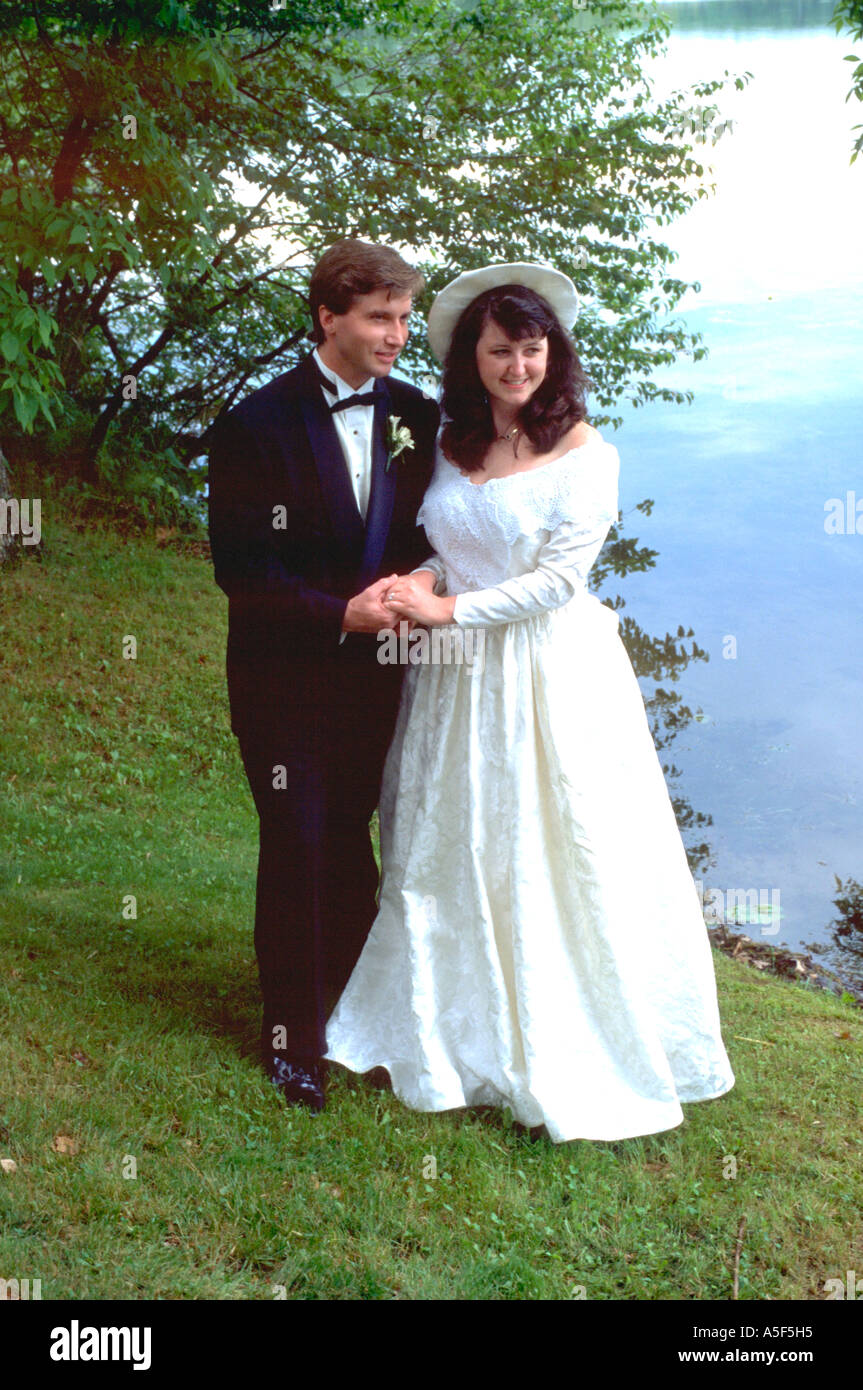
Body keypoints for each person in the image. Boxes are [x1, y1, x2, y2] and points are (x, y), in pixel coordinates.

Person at [324, 263, 735, 1142]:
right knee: (451, 839)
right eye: (502, 349)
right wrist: (420, 580)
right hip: (454, 677)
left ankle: (560, 1030)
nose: (519, 366)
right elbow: (447, 540)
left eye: (533, 349)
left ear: (556, 353)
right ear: (472, 356)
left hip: (545, 673)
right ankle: (443, 1019)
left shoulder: (587, 452)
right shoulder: (449, 440)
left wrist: (447, 609)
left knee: (551, 839)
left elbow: (556, 582)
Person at [207, 239, 440, 1113]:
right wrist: (339, 613)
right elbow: (242, 572)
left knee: (350, 843)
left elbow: (430, 534)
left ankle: (349, 1017)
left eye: (404, 317)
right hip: (284, 680)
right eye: (379, 317)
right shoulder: (253, 426)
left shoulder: (417, 413)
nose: (396, 335)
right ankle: (290, 1041)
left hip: (382, 679)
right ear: (328, 317)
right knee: (299, 843)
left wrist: (417, 582)